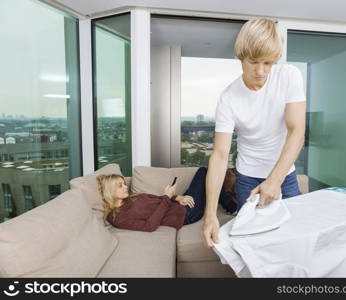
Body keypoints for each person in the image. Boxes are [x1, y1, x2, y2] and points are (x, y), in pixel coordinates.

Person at [201, 18, 307, 248]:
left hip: (284, 176)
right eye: (253, 62)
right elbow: (220, 155)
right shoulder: (228, 98)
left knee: (294, 242)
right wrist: (209, 214)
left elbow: (296, 132)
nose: (261, 71)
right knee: (253, 244)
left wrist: (274, 180)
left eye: (268, 63)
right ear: (241, 57)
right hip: (247, 177)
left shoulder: (289, 76)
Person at [97, 167, 236, 232]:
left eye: (124, 183)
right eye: (120, 185)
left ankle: (227, 204)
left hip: (180, 205)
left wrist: (178, 197)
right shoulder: (116, 217)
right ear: (109, 191)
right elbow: (149, 226)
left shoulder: (132, 198)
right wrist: (167, 198)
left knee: (203, 171)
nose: (125, 187)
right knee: (205, 174)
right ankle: (231, 207)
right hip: (185, 215)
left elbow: (159, 199)